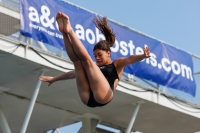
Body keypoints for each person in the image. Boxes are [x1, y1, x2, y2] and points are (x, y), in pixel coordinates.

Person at [40, 12, 150, 108]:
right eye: (95, 55)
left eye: (99, 55)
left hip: (104, 96)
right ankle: (64, 32)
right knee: (78, 64)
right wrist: (54, 79)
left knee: (86, 61)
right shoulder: (95, 67)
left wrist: (143, 56)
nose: (97, 58)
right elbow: (72, 74)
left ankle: (70, 31)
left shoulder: (117, 64)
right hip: (88, 99)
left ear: (108, 53)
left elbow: (130, 59)